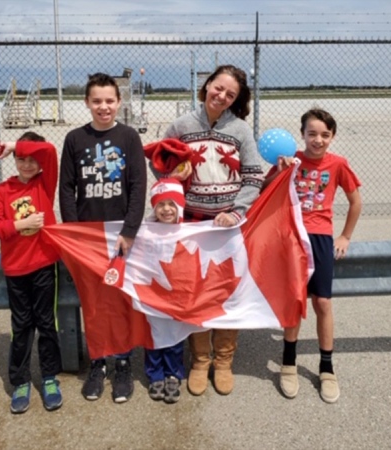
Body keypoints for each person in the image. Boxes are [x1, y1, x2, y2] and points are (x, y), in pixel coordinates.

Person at [159, 64, 264, 396]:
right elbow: (160, 164)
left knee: (226, 295)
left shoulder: (241, 131)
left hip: (228, 230)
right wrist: (172, 172)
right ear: (207, 86)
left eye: (230, 94)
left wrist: (235, 212)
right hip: (191, 225)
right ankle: (200, 360)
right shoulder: (181, 125)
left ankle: (223, 361)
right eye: (218, 88)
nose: (222, 96)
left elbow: (253, 177)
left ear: (236, 99)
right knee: (194, 293)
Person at [262, 108, 363, 404]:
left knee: (322, 302)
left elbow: (355, 201)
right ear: (302, 134)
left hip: (319, 237)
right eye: (312, 134)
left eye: (325, 135)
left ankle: (327, 368)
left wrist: (345, 235)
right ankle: (289, 363)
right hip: (292, 236)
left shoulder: (339, 164)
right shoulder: (291, 160)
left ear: (332, 137)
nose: (318, 140)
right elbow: (264, 191)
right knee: (295, 300)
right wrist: (280, 173)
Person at [59, 72, 147, 403]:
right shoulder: (74, 139)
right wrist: (74, 234)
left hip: (120, 235)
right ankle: (98, 364)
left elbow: (138, 186)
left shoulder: (128, 138)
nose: (103, 107)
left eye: (109, 100)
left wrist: (129, 231)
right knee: (93, 304)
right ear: (86, 103)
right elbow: (67, 189)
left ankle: (123, 363)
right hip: (88, 236)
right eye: (97, 101)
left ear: (119, 102)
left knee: (121, 302)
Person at [0, 132, 63, 413]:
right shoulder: (3, 191)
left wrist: (13, 146)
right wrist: (20, 224)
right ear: (14, 162)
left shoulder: (45, 183)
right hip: (16, 269)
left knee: (46, 323)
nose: (27, 164)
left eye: (32, 159)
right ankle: (20, 381)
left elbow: (51, 148)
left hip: (43, 265)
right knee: (21, 327)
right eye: (21, 159)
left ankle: (50, 378)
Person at [143, 178, 187, 404]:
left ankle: (173, 374)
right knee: (154, 334)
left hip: (176, 295)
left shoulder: (189, 231)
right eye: (160, 205)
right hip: (152, 294)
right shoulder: (145, 231)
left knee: (174, 334)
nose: (166, 209)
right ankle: (155, 374)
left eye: (171, 204)